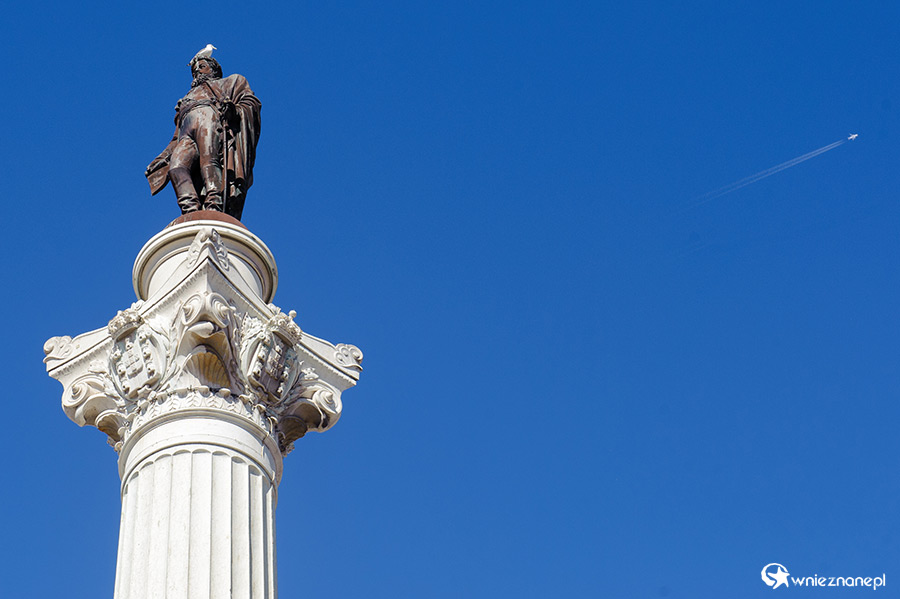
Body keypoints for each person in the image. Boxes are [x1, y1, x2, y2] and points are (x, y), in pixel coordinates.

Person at [146, 56, 261, 220]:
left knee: (208, 160)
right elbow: (175, 137)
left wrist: (233, 111)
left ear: (213, 70)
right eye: (194, 69)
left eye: (202, 66)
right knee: (176, 167)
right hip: (187, 129)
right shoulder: (186, 99)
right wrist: (162, 157)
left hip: (210, 119)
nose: (197, 71)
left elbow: (250, 102)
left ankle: (214, 202)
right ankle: (191, 208)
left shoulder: (229, 82)